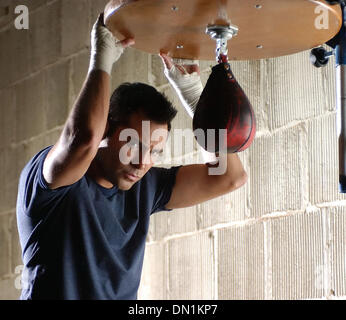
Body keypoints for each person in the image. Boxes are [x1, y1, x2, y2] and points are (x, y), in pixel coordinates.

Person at [16, 14, 247, 300]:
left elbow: (229, 176)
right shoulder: (56, 182)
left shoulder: (145, 186)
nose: (142, 162)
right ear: (107, 129)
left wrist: (195, 99)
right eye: (133, 145)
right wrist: (101, 60)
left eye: (154, 151)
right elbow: (83, 139)